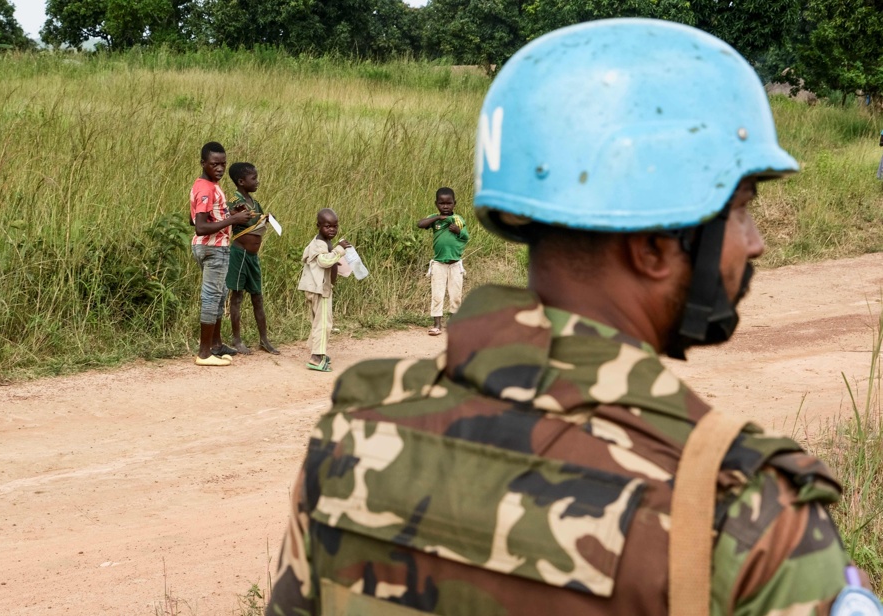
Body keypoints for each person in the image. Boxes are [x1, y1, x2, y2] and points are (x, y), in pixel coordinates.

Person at [268, 19, 880, 616]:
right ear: (655, 247)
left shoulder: (353, 437)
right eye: (742, 208)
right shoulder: (753, 522)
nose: (756, 243)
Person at [189, 142, 252, 367]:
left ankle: (215, 345)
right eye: (214, 164)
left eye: (223, 164)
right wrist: (233, 220)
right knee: (211, 297)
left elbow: (195, 217)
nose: (220, 168)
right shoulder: (206, 187)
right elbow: (200, 227)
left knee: (219, 295)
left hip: (216, 247)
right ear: (203, 163)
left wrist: (229, 213)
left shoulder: (207, 186)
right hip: (212, 247)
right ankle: (204, 353)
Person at [225, 162, 280, 355]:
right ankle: (237, 339)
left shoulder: (254, 203)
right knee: (237, 296)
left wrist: (267, 218)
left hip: (252, 257)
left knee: (258, 296)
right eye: (253, 178)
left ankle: (264, 339)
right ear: (241, 181)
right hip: (239, 254)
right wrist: (234, 213)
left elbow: (256, 221)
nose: (257, 181)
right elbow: (227, 216)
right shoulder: (235, 200)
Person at [297, 208, 351, 372]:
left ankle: (317, 352)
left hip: (319, 288)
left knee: (318, 322)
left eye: (335, 226)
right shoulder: (318, 244)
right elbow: (324, 261)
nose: (332, 230)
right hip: (319, 290)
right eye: (327, 226)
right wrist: (340, 250)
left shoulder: (324, 242)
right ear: (318, 226)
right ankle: (316, 357)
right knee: (324, 323)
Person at [416, 187, 469, 336]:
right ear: (436, 204)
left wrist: (458, 231)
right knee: (437, 294)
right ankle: (437, 325)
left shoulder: (458, 219)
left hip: (455, 264)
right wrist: (438, 218)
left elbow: (466, 237)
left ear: (454, 204)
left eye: (449, 203)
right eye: (441, 203)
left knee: (455, 295)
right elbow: (421, 224)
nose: (445, 206)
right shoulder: (435, 219)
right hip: (439, 264)